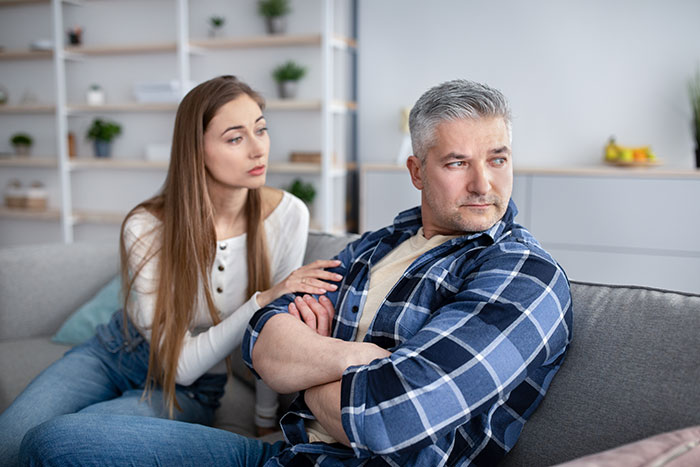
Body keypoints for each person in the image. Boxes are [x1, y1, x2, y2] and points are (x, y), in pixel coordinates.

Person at [19, 79, 573, 467]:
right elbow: (266, 337)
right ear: (416, 171)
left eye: (497, 158)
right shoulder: (377, 245)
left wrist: (304, 373)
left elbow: (391, 417)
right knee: (52, 442)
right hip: (275, 449)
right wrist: (365, 359)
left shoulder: (520, 272)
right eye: (457, 163)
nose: (484, 184)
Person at [0, 75, 342, 467]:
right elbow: (184, 356)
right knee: (9, 443)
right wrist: (261, 300)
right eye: (235, 138)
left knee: (57, 444)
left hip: (194, 388)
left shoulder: (288, 215)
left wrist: (264, 419)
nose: (257, 149)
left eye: (260, 130)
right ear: (195, 149)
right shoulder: (146, 225)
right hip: (113, 353)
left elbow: (273, 329)